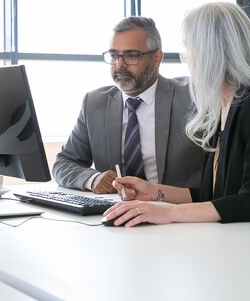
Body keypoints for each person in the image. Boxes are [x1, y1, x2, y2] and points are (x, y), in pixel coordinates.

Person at [103, 2, 250, 227]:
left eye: (190, 49)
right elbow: (212, 195)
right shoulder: (221, 108)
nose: (188, 59)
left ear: (211, 53)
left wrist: (168, 214)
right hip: (237, 239)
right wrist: (154, 192)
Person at [52, 16, 206, 194]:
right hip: (118, 213)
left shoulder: (193, 97)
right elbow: (64, 163)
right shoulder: (94, 103)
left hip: (179, 213)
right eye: (114, 55)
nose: (120, 65)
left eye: (132, 55)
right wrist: (92, 179)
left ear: (157, 58)